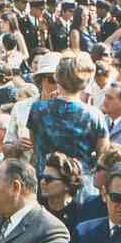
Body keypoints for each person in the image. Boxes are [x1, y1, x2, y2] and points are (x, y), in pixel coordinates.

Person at [27, 53, 109, 185]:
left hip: (46, 179)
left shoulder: (38, 109)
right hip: (80, 181)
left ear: (57, 78)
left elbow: (35, 145)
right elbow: (102, 155)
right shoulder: (94, 114)